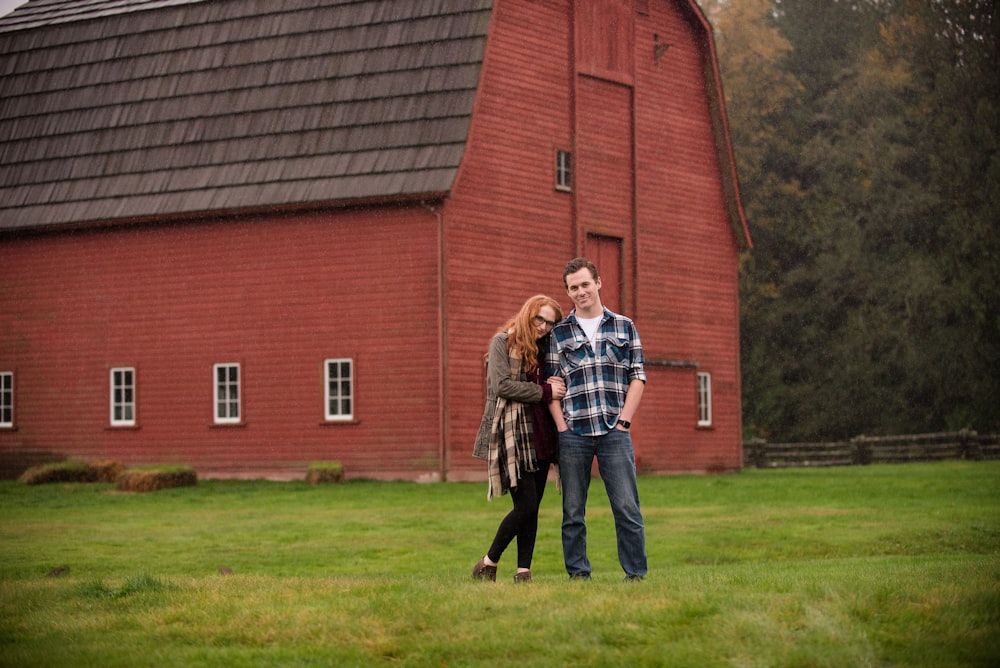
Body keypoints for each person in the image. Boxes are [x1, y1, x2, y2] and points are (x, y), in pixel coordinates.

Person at [546, 257, 648, 581]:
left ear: (598, 282)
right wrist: (561, 428)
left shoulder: (624, 326)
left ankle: (635, 576)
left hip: (614, 431)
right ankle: (579, 576)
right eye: (573, 287)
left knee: (627, 509)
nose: (580, 292)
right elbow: (552, 384)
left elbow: (638, 376)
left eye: (585, 284)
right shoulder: (558, 334)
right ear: (568, 291)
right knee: (573, 512)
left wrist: (624, 422)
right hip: (573, 432)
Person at [471, 295, 566, 583]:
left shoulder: (546, 347)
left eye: (550, 323)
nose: (544, 327)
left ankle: (523, 570)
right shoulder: (502, 342)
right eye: (540, 319)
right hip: (512, 434)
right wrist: (545, 392)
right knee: (525, 505)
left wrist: (554, 384)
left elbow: (551, 378)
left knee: (533, 506)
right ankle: (488, 562)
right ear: (528, 314)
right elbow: (502, 385)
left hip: (541, 433)